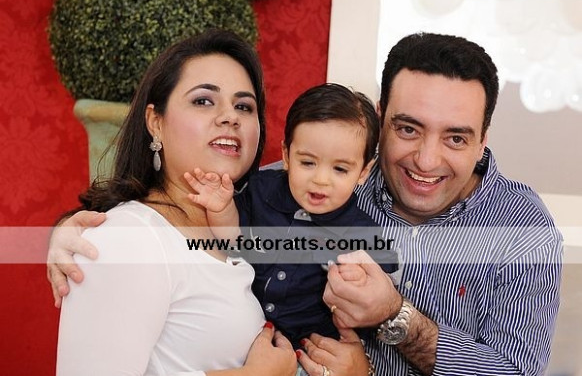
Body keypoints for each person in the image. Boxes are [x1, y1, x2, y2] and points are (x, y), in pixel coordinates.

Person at [52, 29, 369, 376]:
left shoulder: (238, 226)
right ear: (155, 122)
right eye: (203, 101)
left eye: (244, 106)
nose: (230, 117)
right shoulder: (129, 238)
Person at [322, 32, 562, 375]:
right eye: (408, 129)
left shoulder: (524, 228)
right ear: (379, 117)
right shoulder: (321, 184)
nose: (426, 161)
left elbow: (514, 371)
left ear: (482, 141)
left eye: (456, 138)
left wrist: (395, 315)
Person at [184, 83, 398, 350]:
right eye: (307, 163)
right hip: (240, 332)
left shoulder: (360, 231)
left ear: (364, 172)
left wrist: (360, 280)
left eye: (340, 169)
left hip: (308, 349)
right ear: (286, 155)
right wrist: (221, 209)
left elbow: (380, 291)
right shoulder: (261, 191)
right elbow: (232, 241)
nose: (321, 180)